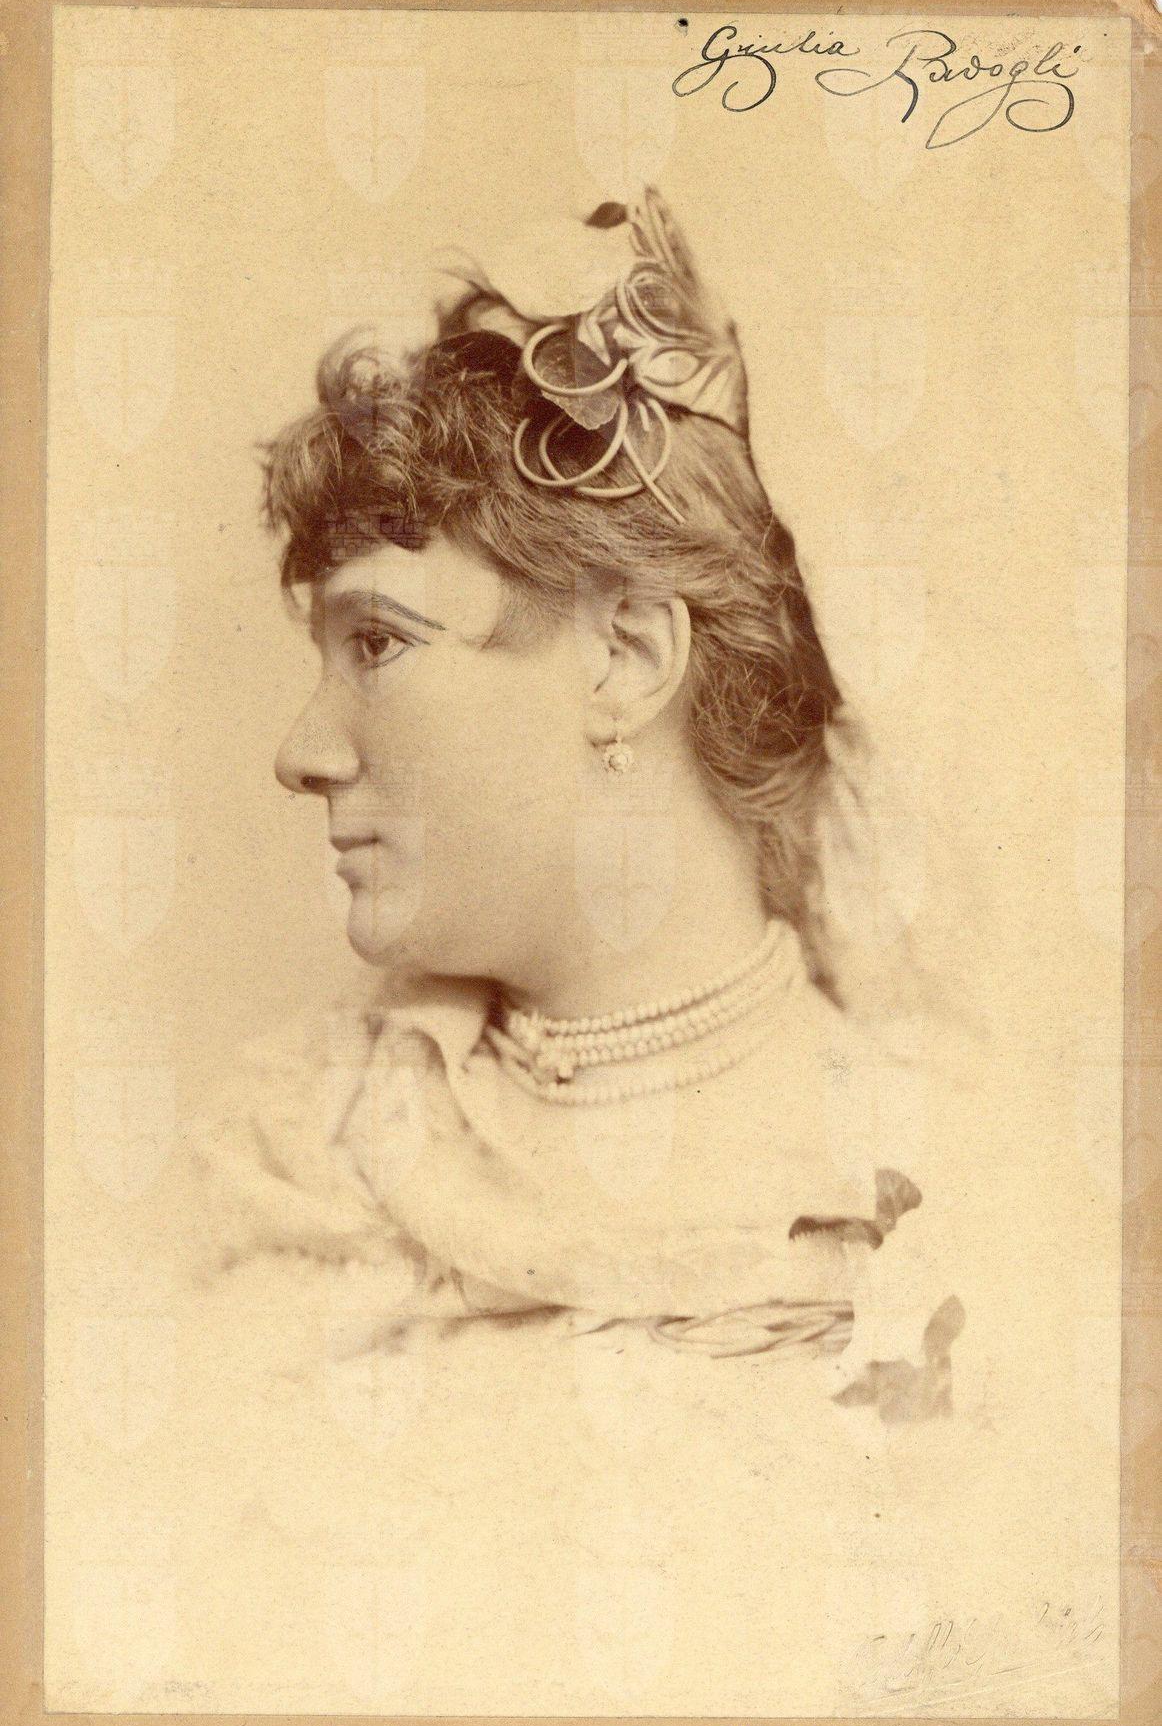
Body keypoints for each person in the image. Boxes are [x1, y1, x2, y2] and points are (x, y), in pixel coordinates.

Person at [191, 186, 963, 1422]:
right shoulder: (292, 1147)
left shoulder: (948, 1160)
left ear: (626, 658)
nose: (302, 752)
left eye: (377, 643)